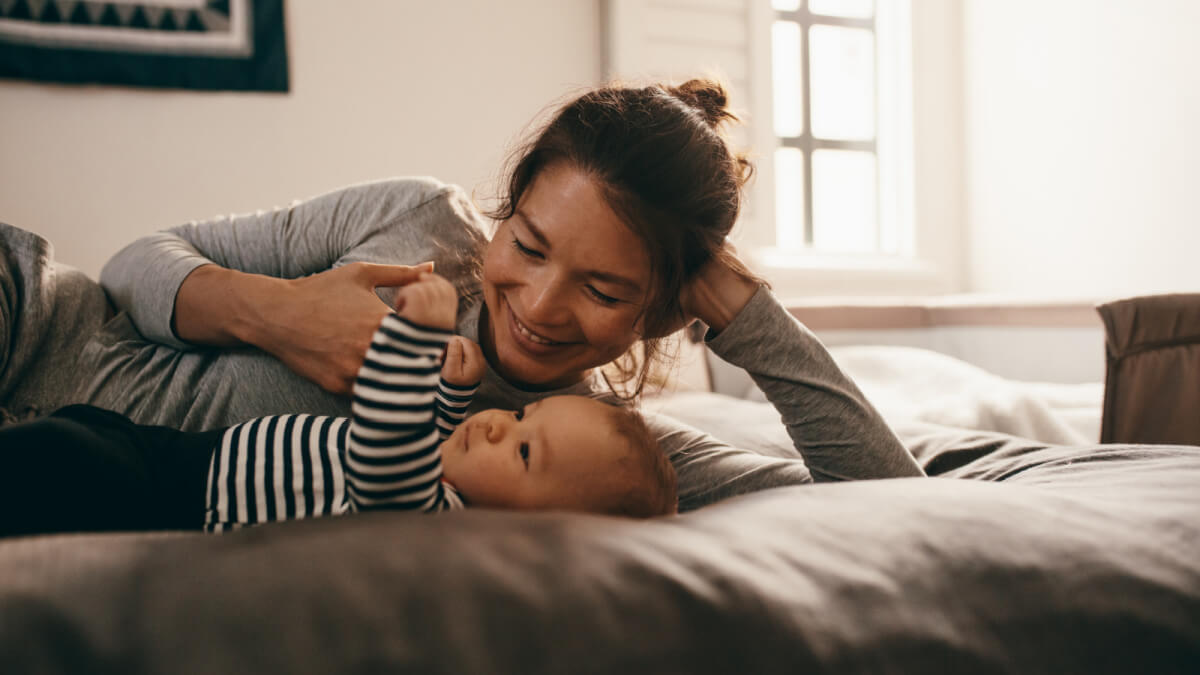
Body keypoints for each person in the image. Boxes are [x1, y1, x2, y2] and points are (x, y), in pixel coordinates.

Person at [0, 78, 923, 518]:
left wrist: (747, 312)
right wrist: (276, 311)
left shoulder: (592, 454)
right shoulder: (422, 222)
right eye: (527, 243)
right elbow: (133, 261)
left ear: (659, 311)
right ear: (507, 209)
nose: (541, 305)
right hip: (32, 315)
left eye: (604, 289)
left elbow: (893, 506)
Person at [0, 272, 676, 537]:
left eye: (526, 452)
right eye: (525, 417)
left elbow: (388, 445)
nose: (501, 424)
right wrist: (456, 392)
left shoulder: (431, 523)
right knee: (73, 433)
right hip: (181, 450)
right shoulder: (450, 475)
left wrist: (415, 340)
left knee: (59, 460)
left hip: (180, 497)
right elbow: (437, 440)